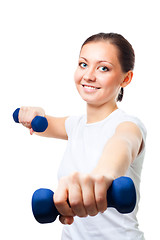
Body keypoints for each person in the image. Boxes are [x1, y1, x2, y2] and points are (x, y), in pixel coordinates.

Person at [18, 33, 147, 239]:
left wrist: (103, 175)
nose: (88, 75)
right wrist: (32, 114)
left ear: (126, 78)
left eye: (103, 68)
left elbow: (122, 145)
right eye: (83, 64)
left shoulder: (128, 126)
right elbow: (43, 124)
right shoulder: (75, 125)